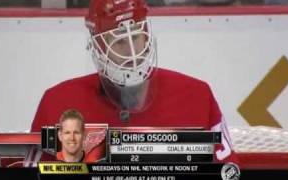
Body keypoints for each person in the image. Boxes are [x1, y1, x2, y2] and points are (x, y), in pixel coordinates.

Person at [29, 0, 238, 165]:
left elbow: (228, 172)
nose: (132, 53)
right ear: (98, 47)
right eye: (119, 41)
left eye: (136, 36)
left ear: (147, 36)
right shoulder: (56, 103)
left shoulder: (197, 96)